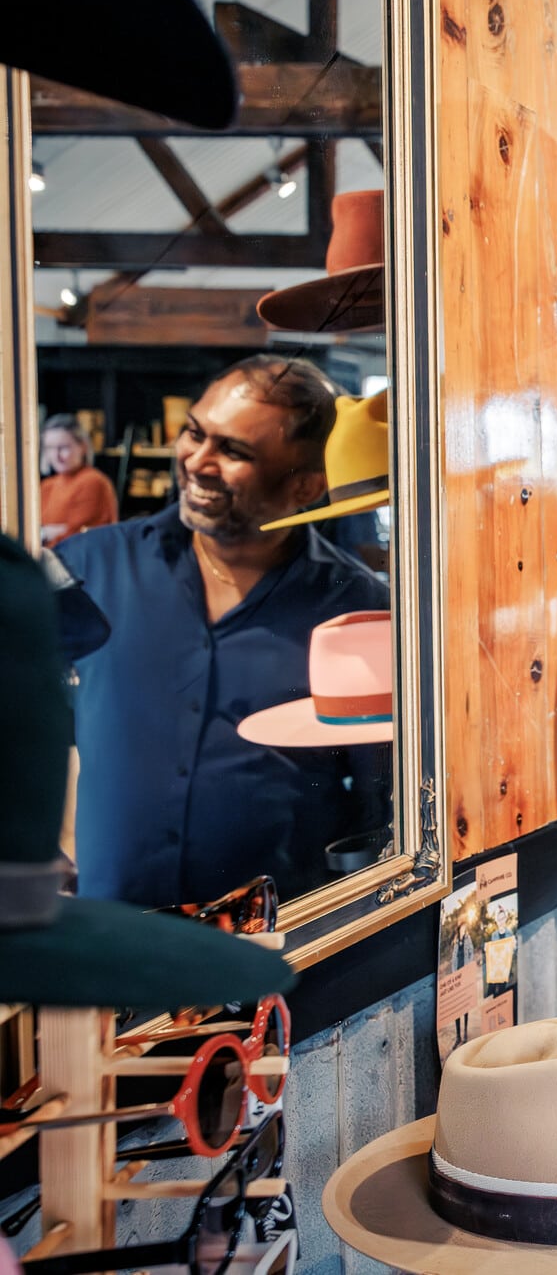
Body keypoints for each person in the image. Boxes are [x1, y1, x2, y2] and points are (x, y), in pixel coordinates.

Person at [55, 354, 390, 909]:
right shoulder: (92, 568)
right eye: (194, 433)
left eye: (233, 451)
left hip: (276, 953)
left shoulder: (354, 609)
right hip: (114, 939)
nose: (197, 461)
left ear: (306, 485)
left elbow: (382, 803)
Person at [39, 414, 119, 546]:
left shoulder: (93, 481)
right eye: (50, 448)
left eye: (63, 447)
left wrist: (43, 533)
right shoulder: (47, 486)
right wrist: (44, 533)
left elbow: (74, 538)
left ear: (83, 447)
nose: (56, 455)